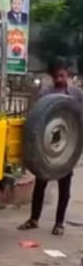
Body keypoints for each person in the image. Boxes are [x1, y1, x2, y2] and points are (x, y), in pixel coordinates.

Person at [18, 58, 81, 236]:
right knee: (40, 184)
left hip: (67, 147)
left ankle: (59, 223)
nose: (59, 79)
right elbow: (36, 120)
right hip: (46, 146)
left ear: (67, 74)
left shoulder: (76, 94)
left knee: (64, 187)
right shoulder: (46, 94)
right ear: (52, 77)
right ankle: (33, 219)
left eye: (62, 75)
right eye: (56, 76)